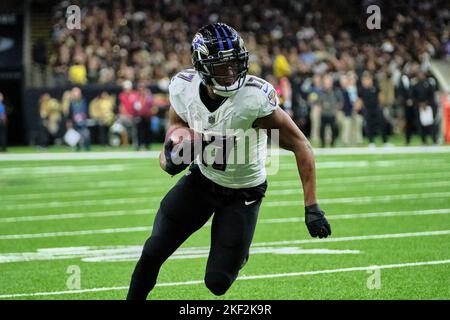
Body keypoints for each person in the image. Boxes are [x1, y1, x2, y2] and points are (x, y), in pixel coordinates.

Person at [127, 23, 331, 300]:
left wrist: (312, 206)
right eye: (223, 67)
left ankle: (237, 253)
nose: (232, 73)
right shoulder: (183, 88)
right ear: (202, 67)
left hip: (243, 192)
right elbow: (175, 127)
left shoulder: (253, 98)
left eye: (236, 64)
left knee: (217, 282)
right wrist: (171, 153)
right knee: (152, 252)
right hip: (202, 180)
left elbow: (300, 144)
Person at [67, 87, 90, 151]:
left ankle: (87, 149)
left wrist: (84, 116)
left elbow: (87, 112)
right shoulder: (71, 103)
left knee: (86, 136)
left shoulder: (84, 102)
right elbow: (69, 115)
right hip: (75, 124)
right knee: (76, 139)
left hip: (83, 123)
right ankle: (78, 148)